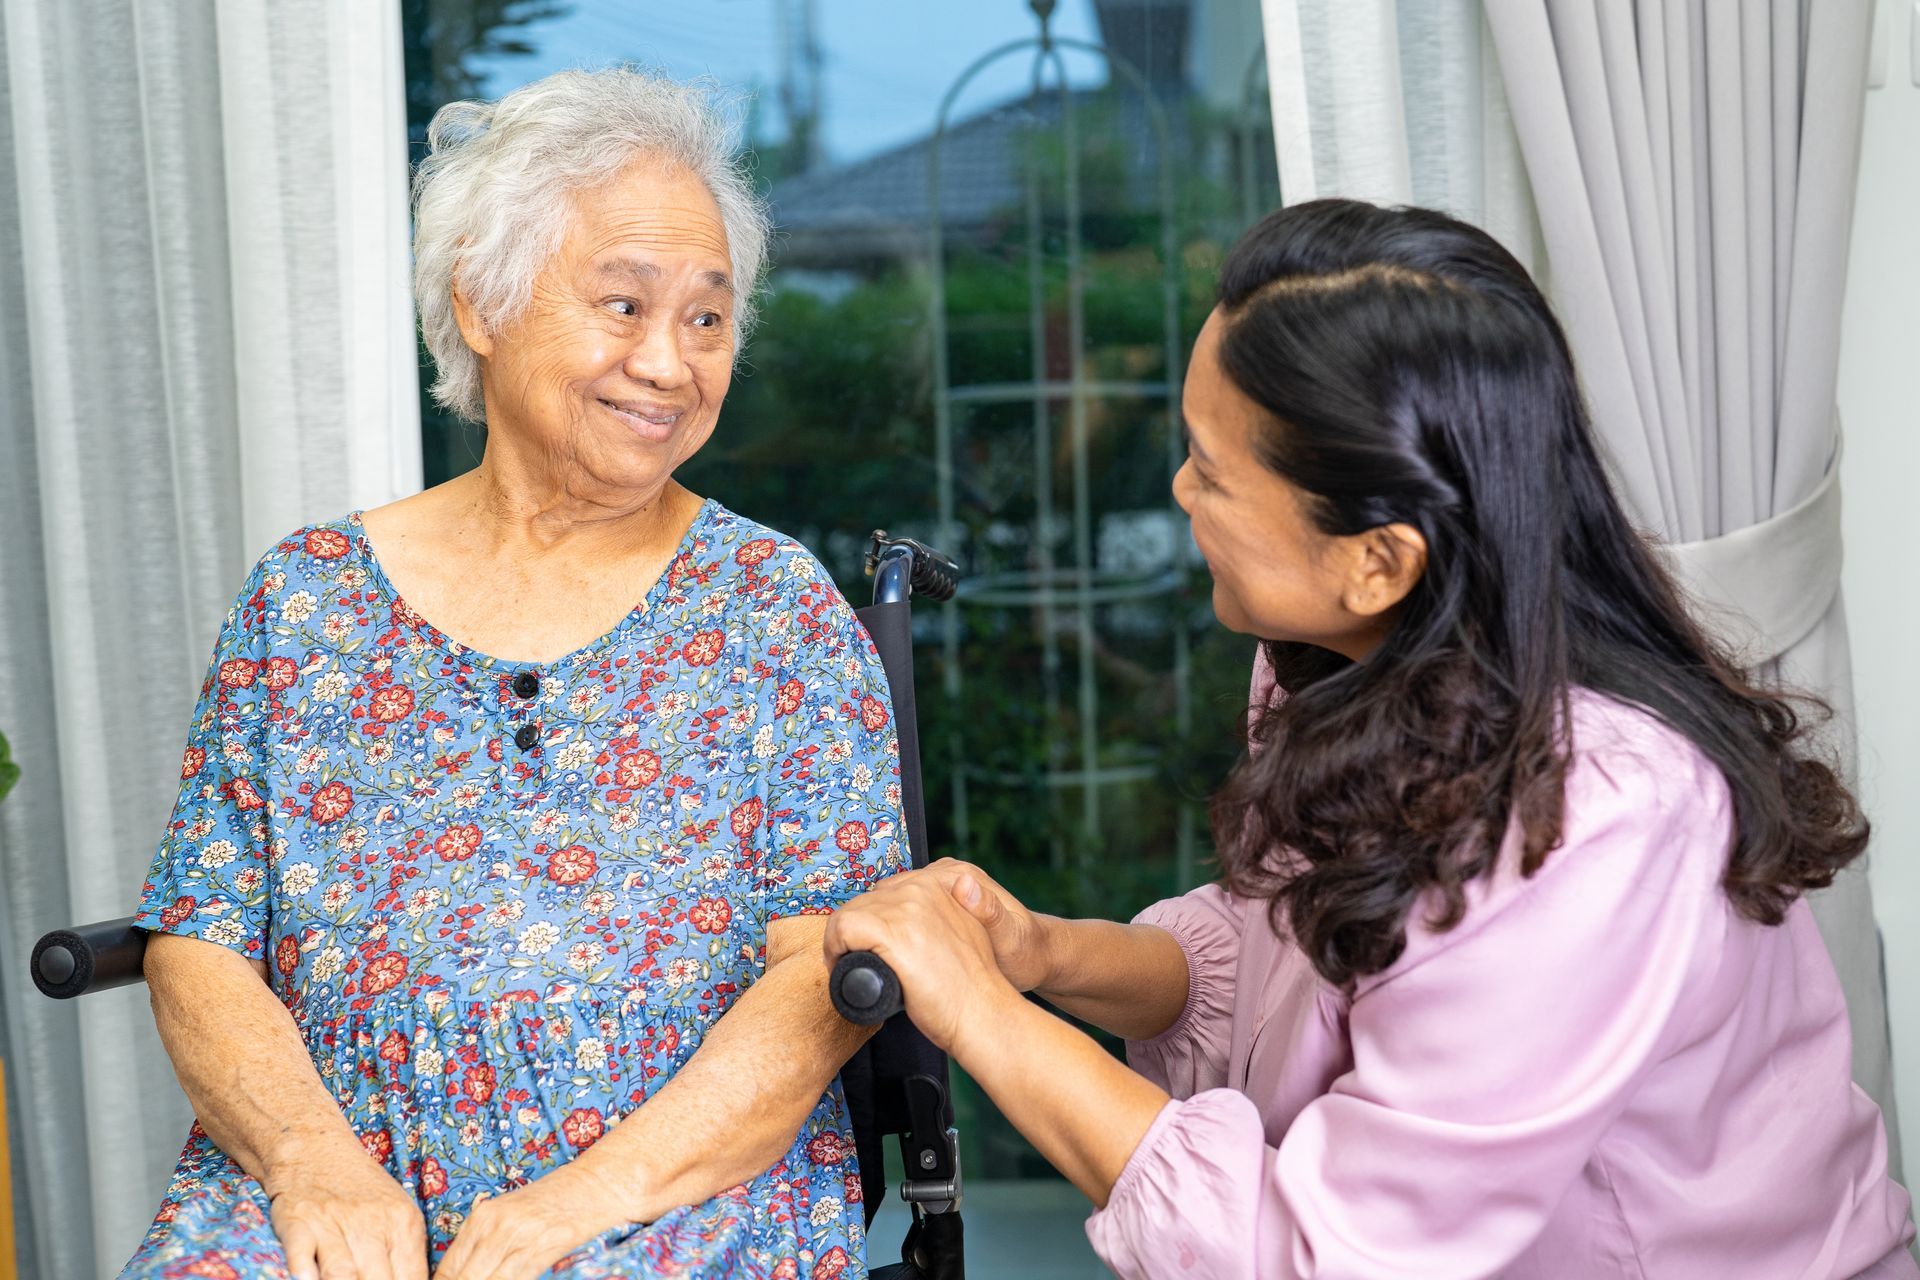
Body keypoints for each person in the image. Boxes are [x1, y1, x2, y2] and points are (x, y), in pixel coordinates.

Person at [825, 199, 1920, 1279]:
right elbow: (1283, 952)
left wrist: (975, 1009)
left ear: (1376, 560)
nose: (1178, 490)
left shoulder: (1591, 821)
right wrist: (1040, 954)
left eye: (1210, 468)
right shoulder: (1345, 666)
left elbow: (1324, 1254)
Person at [123, 67, 901, 1280]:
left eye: (707, 316)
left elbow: (824, 976)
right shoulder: (307, 596)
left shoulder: (773, 610)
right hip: (341, 1169)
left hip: (673, 1185)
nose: (669, 362)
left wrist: (581, 1200)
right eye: (623, 304)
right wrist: (310, 1161)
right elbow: (200, 938)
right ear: (479, 300)